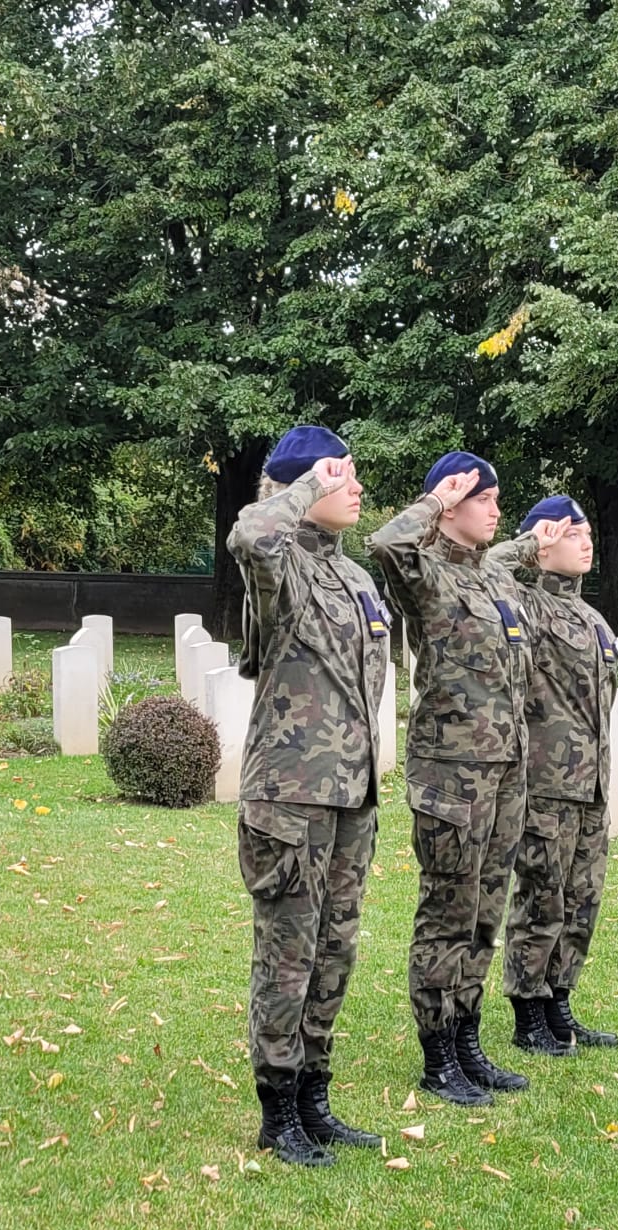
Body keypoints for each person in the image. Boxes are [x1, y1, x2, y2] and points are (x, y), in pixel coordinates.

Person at [228, 425, 390, 1167]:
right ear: (301, 485)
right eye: (338, 474)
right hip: (288, 795)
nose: (353, 486)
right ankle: (278, 1107)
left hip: (350, 793)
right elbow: (250, 534)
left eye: (351, 474)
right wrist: (302, 485)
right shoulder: (281, 563)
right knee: (288, 954)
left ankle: (315, 1097)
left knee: (334, 948)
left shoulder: (354, 577)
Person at [368, 452, 532, 1104]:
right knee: (449, 909)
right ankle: (438, 1056)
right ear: (452, 504)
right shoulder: (427, 573)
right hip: (452, 771)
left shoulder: (491, 576)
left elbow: (513, 557)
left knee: (486, 910)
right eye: (483, 498)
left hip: (506, 767)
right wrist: (436, 499)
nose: (496, 510)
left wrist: (536, 540)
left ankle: (467, 1041)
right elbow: (387, 543)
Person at [485, 495, 618, 1054]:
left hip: (591, 783)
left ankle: (560, 1002)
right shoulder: (526, 605)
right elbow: (486, 568)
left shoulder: (592, 618)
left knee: (581, 898)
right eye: (571, 534)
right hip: (546, 783)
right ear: (544, 545)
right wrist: (529, 545)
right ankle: (528, 1011)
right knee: (541, 898)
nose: (586, 542)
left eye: (587, 532)